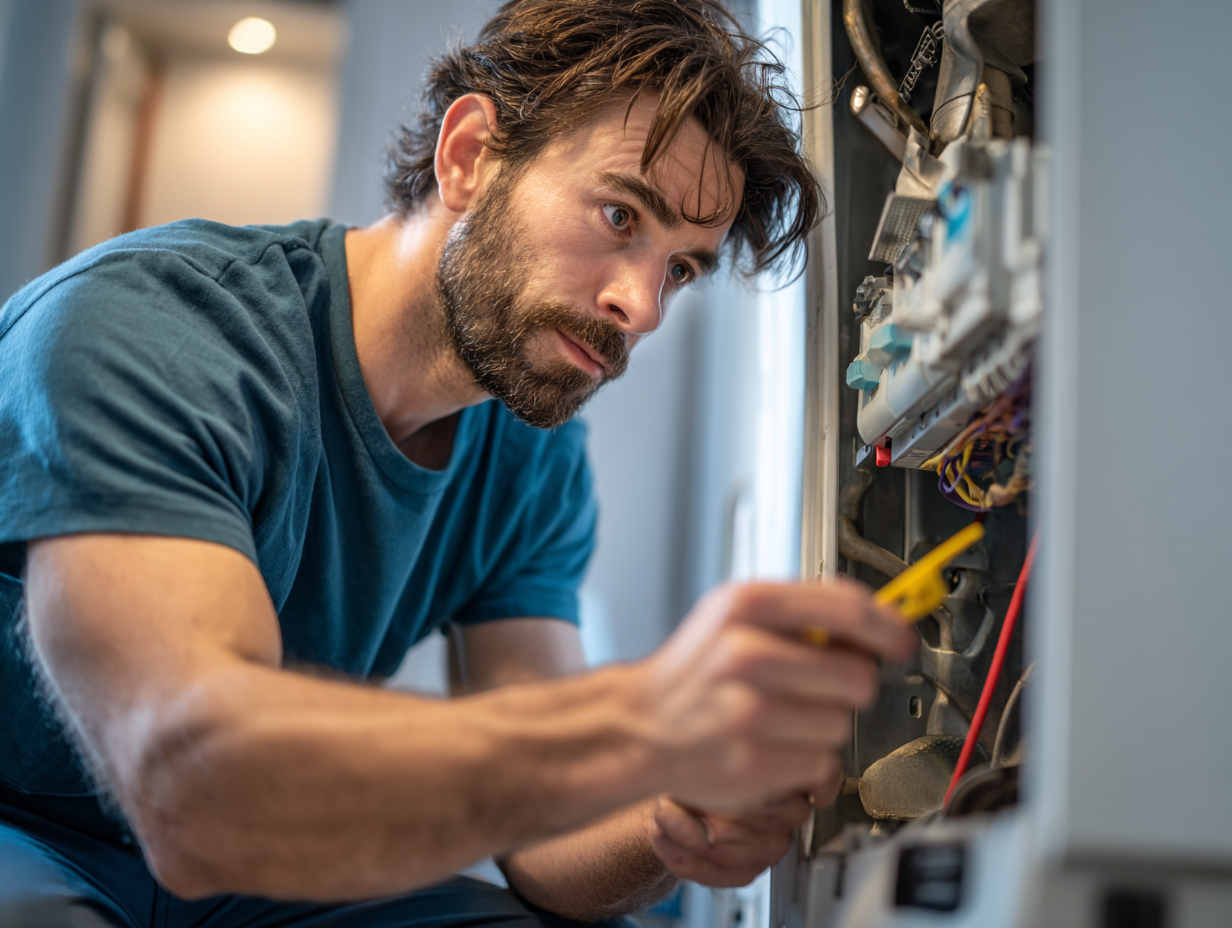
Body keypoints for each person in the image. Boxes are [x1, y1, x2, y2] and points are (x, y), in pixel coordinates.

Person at [0, 1, 916, 926]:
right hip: (32, 831)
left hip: (241, 874)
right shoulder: (153, 334)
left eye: (680, 268)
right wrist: (640, 721)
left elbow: (547, 838)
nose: (641, 305)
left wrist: (672, 821)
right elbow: (192, 788)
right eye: (618, 212)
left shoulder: (532, 462)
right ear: (471, 155)